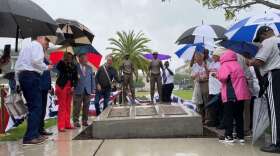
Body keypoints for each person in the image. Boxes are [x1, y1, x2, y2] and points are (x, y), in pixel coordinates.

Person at [15, 36, 53, 145]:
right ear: (40, 38)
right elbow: (36, 61)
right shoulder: (37, 45)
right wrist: (46, 67)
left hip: (24, 76)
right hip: (31, 75)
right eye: (46, 41)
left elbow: (17, 66)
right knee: (36, 107)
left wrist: (18, 82)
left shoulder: (26, 47)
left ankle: (34, 134)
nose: (46, 44)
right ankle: (30, 136)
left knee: (34, 106)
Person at [248, 26, 280, 153]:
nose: (261, 40)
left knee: (275, 110)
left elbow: (260, 61)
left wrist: (250, 62)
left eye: (261, 37)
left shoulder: (268, 42)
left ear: (265, 33)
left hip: (275, 75)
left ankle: (276, 143)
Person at [218, 49, 251, 143]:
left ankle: (229, 136)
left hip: (230, 94)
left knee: (229, 115)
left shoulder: (225, 65)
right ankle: (240, 137)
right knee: (239, 115)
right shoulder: (238, 65)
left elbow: (223, 78)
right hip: (241, 95)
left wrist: (216, 74)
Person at [55, 52, 78, 132]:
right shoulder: (61, 64)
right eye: (67, 57)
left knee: (68, 106)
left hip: (70, 87)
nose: (69, 58)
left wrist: (73, 86)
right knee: (62, 106)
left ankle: (67, 124)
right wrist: (63, 60)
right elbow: (58, 67)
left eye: (70, 57)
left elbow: (76, 78)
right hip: (61, 86)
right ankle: (61, 125)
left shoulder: (73, 66)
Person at [73, 53, 95, 127]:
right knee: (77, 106)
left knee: (86, 106)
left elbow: (92, 79)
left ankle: (84, 120)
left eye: (86, 58)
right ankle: (76, 121)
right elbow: (72, 78)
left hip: (87, 90)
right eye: (85, 58)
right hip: (78, 89)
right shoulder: (75, 67)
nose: (86, 59)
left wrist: (93, 88)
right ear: (80, 59)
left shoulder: (90, 68)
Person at [39, 43, 53, 136]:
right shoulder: (39, 57)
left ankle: (41, 128)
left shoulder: (45, 58)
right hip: (39, 86)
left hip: (45, 86)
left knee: (43, 109)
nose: (48, 46)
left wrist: (49, 86)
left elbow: (47, 74)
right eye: (47, 44)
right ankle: (37, 129)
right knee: (39, 109)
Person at [191, 52, 209, 123]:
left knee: (206, 101)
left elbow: (209, 74)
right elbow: (192, 76)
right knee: (199, 102)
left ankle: (207, 118)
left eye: (199, 57)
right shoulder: (194, 66)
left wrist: (205, 67)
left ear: (202, 58)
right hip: (198, 84)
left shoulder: (206, 64)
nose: (198, 59)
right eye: (196, 57)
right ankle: (201, 117)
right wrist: (195, 75)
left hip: (205, 84)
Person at [207, 48, 223, 127]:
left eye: (214, 55)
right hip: (211, 89)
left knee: (218, 107)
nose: (213, 56)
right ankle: (213, 121)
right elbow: (209, 71)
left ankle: (220, 122)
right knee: (212, 106)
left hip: (218, 88)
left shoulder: (221, 63)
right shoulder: (212, 63)